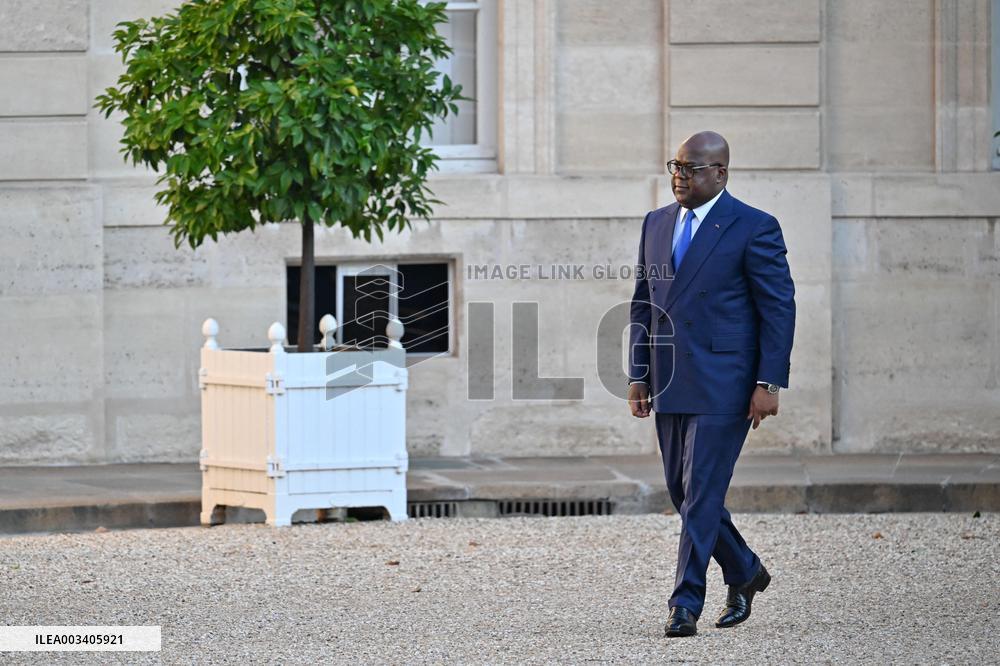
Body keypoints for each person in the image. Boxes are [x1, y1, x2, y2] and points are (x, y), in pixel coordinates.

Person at [627, 131, 796, 638]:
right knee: (682, 491)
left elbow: (778, 309)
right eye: (675, 166)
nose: (679, 176)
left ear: (719, 172)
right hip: (671, 378)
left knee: (701, 491)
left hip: (727, 381)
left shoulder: (754, 226)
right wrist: (638, 374)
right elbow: (643, 303)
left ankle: (685, 603)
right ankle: (745, 570)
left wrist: (769, 382)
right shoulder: (656, 224)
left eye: (692, 168)